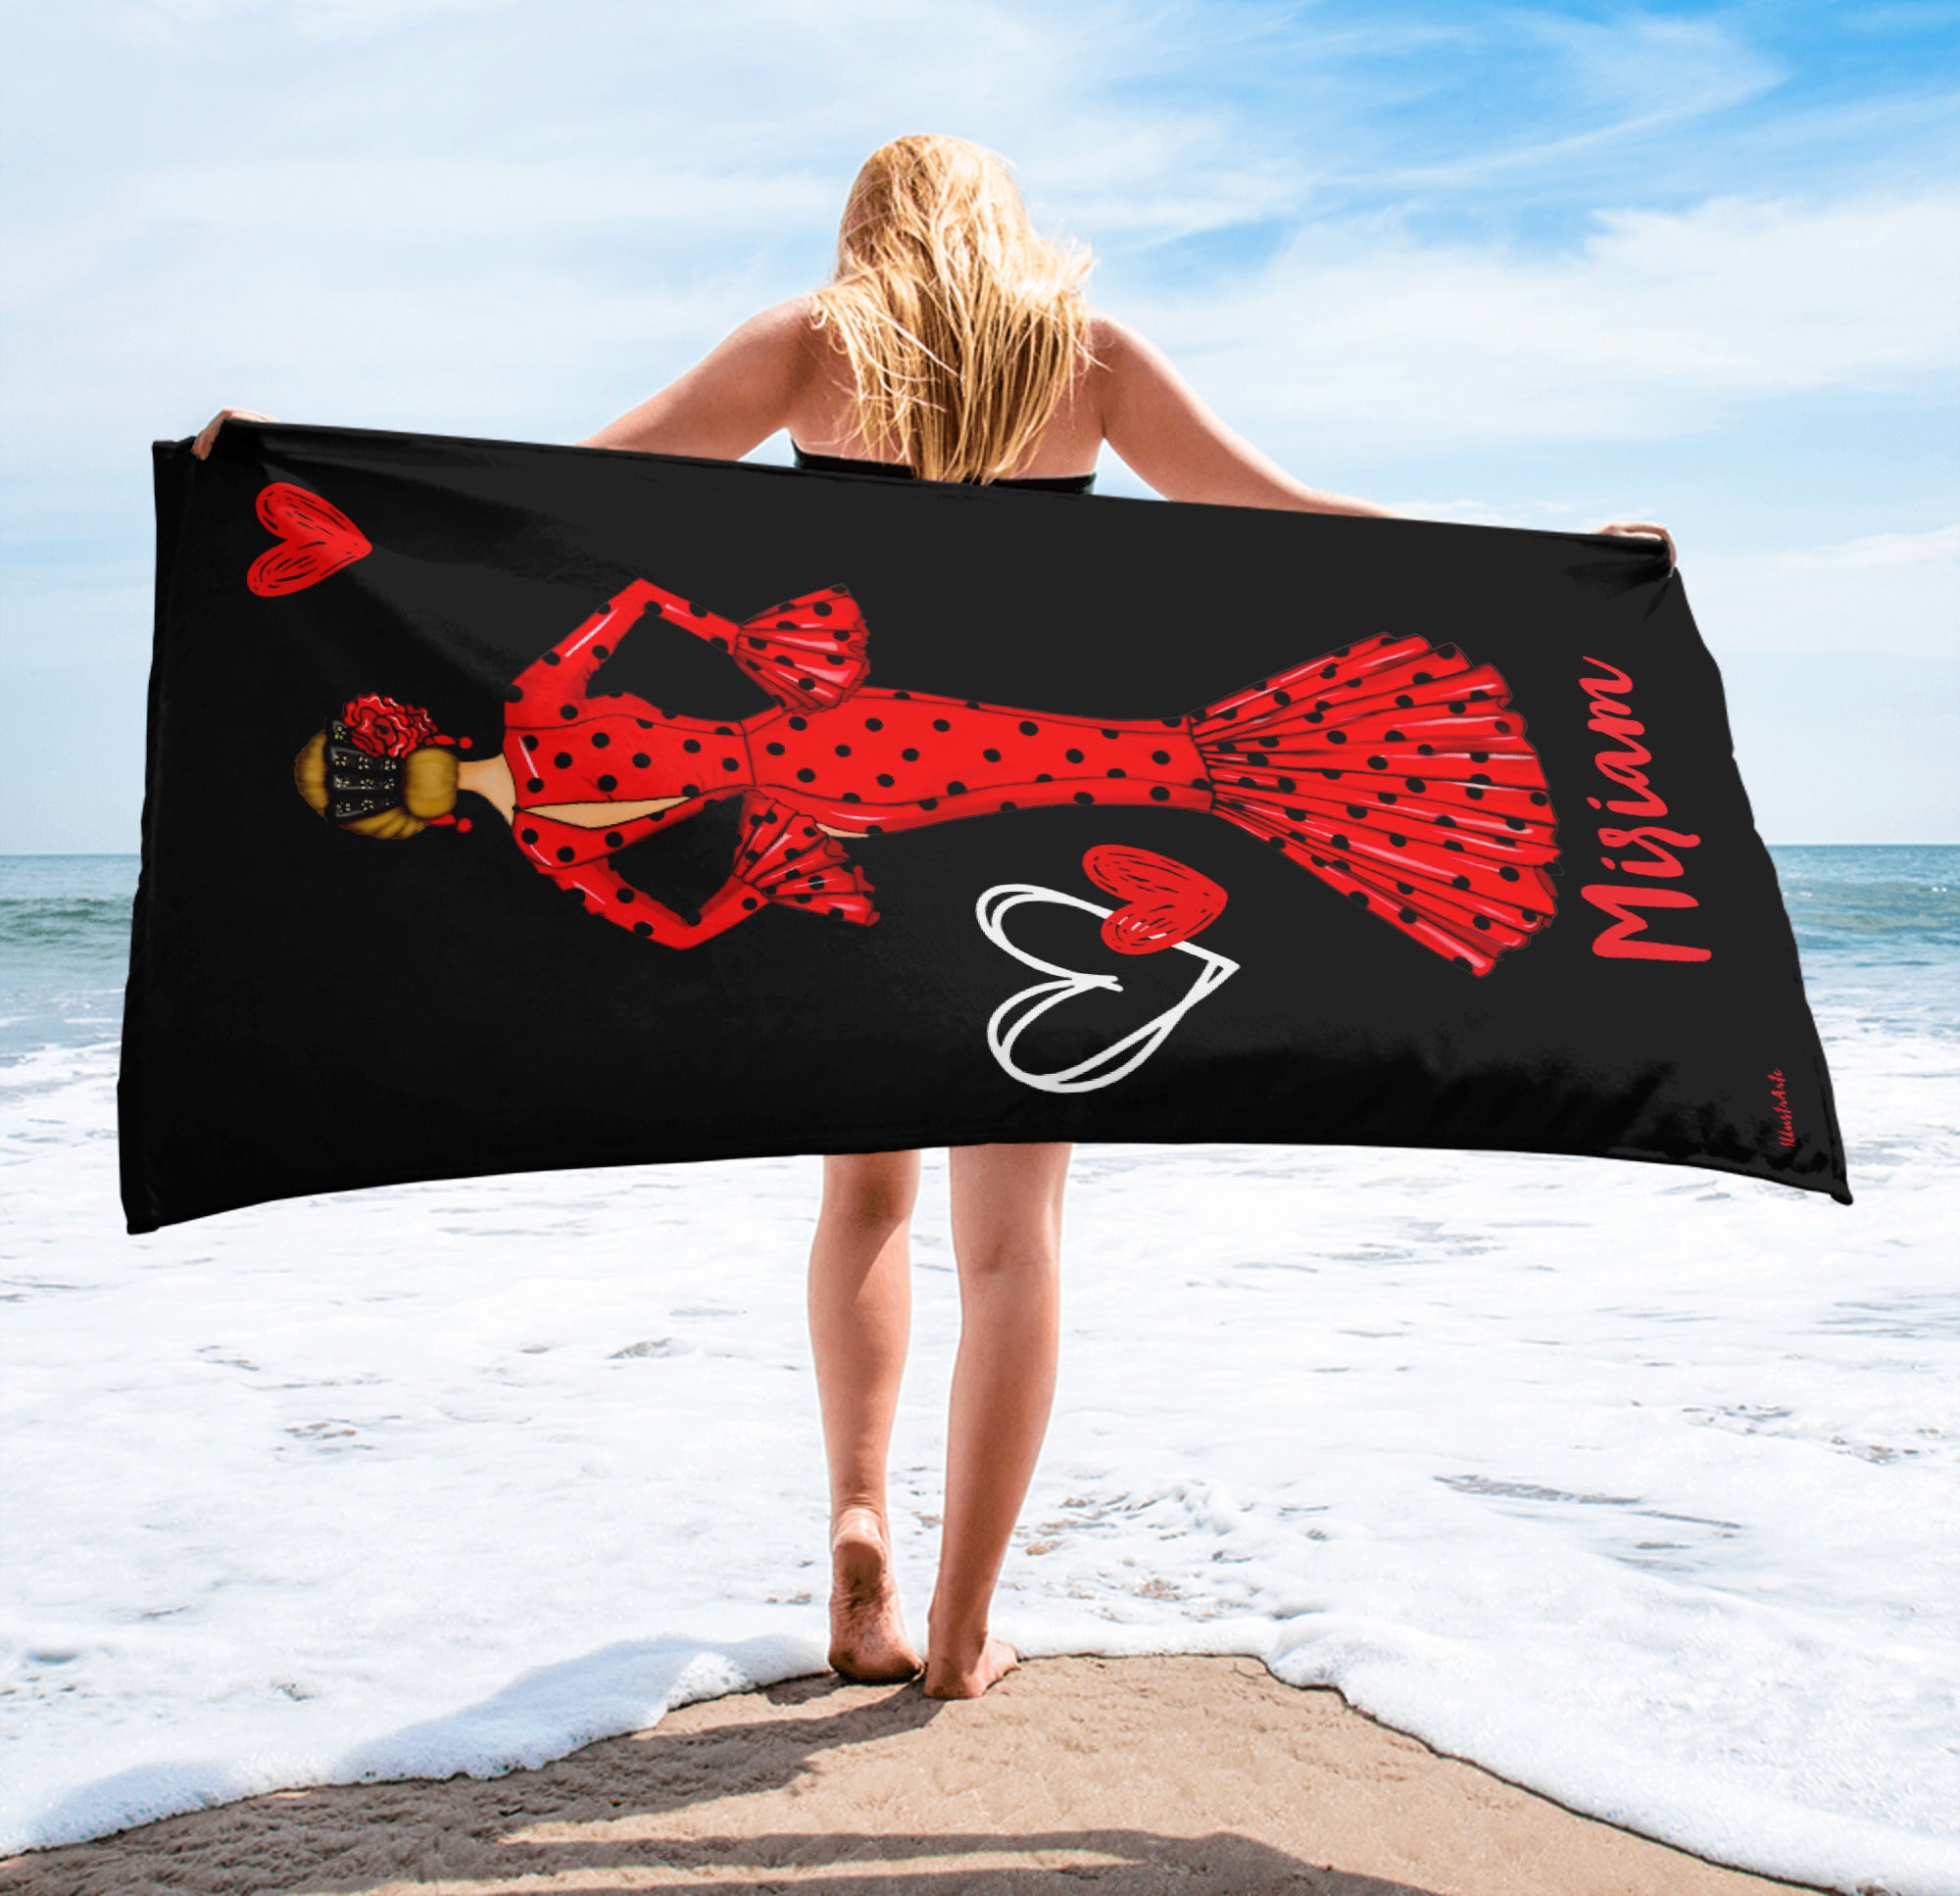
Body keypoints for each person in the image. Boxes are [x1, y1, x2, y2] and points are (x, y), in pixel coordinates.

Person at [194, 131, 1671, 1701]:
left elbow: (563, 494)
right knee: (1016, 1249)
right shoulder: (1086, 357)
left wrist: (308, 472)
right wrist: (1552, 571)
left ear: (864, 231)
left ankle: (855, 1527)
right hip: (996, 791)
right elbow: (1293, 516)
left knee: (865, 1208)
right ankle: (964, 1635)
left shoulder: (808, 347)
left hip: (826, 843)